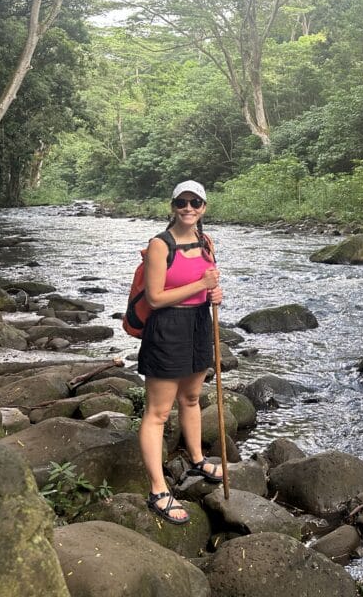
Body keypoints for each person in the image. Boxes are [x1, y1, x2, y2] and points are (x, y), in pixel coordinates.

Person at [137, 180, 224, 525]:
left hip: (199, 325)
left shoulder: (206, 242)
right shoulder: (160, 245)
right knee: (158, 412)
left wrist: (214, 294)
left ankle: (198, 458)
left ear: (204, 207)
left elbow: (210, 284)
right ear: (173, 205)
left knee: (191, 399)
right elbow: (155, 298)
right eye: (182, 202)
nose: (189, 208)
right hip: (168, 328)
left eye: (196, 203)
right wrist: (201, 286)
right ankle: (158, 489)